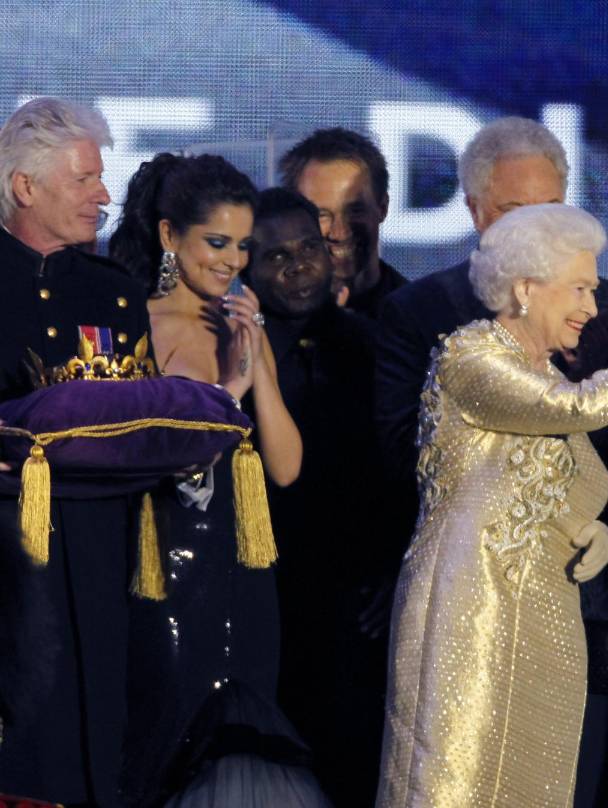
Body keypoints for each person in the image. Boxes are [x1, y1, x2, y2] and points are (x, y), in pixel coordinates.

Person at [375, 203, 608, 807]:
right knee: (455, 781)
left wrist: (596, 531)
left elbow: (576, 474)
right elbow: (579, 411)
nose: (593, 308)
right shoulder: (471, 356)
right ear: (524, 289)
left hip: (545, 608)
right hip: (472, 604)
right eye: (581, 289)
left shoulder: (543, 376)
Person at [108, 154, 318, 805]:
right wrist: (225, 387)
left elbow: (285, 466)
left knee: (244, 745)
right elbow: (155, 455)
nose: (231, 261)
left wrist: (253, 366)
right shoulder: (132, 325)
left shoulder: (241, 328)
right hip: (161, 575)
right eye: (216, 243)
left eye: (243, 246)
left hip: (245, 576)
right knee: (168, 748)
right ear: (171, 237)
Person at [0, 97, 149, 807]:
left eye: (103, 176)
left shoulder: (117, 295)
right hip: (5, 550)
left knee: (99, 732)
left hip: (99, 546)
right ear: (24, 186)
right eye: (85, 179)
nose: (104, 195)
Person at [245, 187, 389, 806]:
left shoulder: (371, 345)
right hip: (259, 590)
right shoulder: (231, 356)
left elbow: (403, 470)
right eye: (275, 256)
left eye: (309, 248)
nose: (298, 266)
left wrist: (394, 570)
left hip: (353, 599)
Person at [279, 127, 407, 319]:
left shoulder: (419, 318)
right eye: (321, 214)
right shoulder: (266, 322)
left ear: (382, 208)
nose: (340, 233)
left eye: (355, 210)